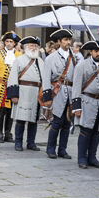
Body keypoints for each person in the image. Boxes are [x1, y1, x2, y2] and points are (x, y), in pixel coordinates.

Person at [71, 40, 99, 168]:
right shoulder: (81, 65)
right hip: (86, 102)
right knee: (85, 132)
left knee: (96, 132)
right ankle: (82, 158)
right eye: (96, 51)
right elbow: (76, 87)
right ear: (91, 52)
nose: (98, 54)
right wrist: (76, 107)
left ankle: (92, 157)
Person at [42, 29, 76, 160]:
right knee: (56, 122)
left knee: (67, 124)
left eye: (69, 40)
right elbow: (46, 79)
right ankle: (50, 149)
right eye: (65, 40)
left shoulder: (74, 58)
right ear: (59, 41)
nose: (68, 42)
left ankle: (62, 150)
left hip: (70, 93)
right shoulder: (51, 58)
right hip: (57, 92)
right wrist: (47, 98)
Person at [7, 35, 43, 151]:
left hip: (36, 93)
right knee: (21, 119)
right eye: (31, 46)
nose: (34, 48)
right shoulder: (19, 60)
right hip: (23, 92)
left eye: (36, 46)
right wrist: (14, 95)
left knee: (33, 119)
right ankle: (18, 142)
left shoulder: (40, 61)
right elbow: (12, 78)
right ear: (26, 47)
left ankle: (31, 143)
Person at [0, 32, 19, 141]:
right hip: (1, 84)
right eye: (7, 41)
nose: (9, 44)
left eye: (11, 42)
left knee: (10, 111)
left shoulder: (19, 55)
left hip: (13, 86)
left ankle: (8, 133)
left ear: (14, 43)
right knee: (1, 111)